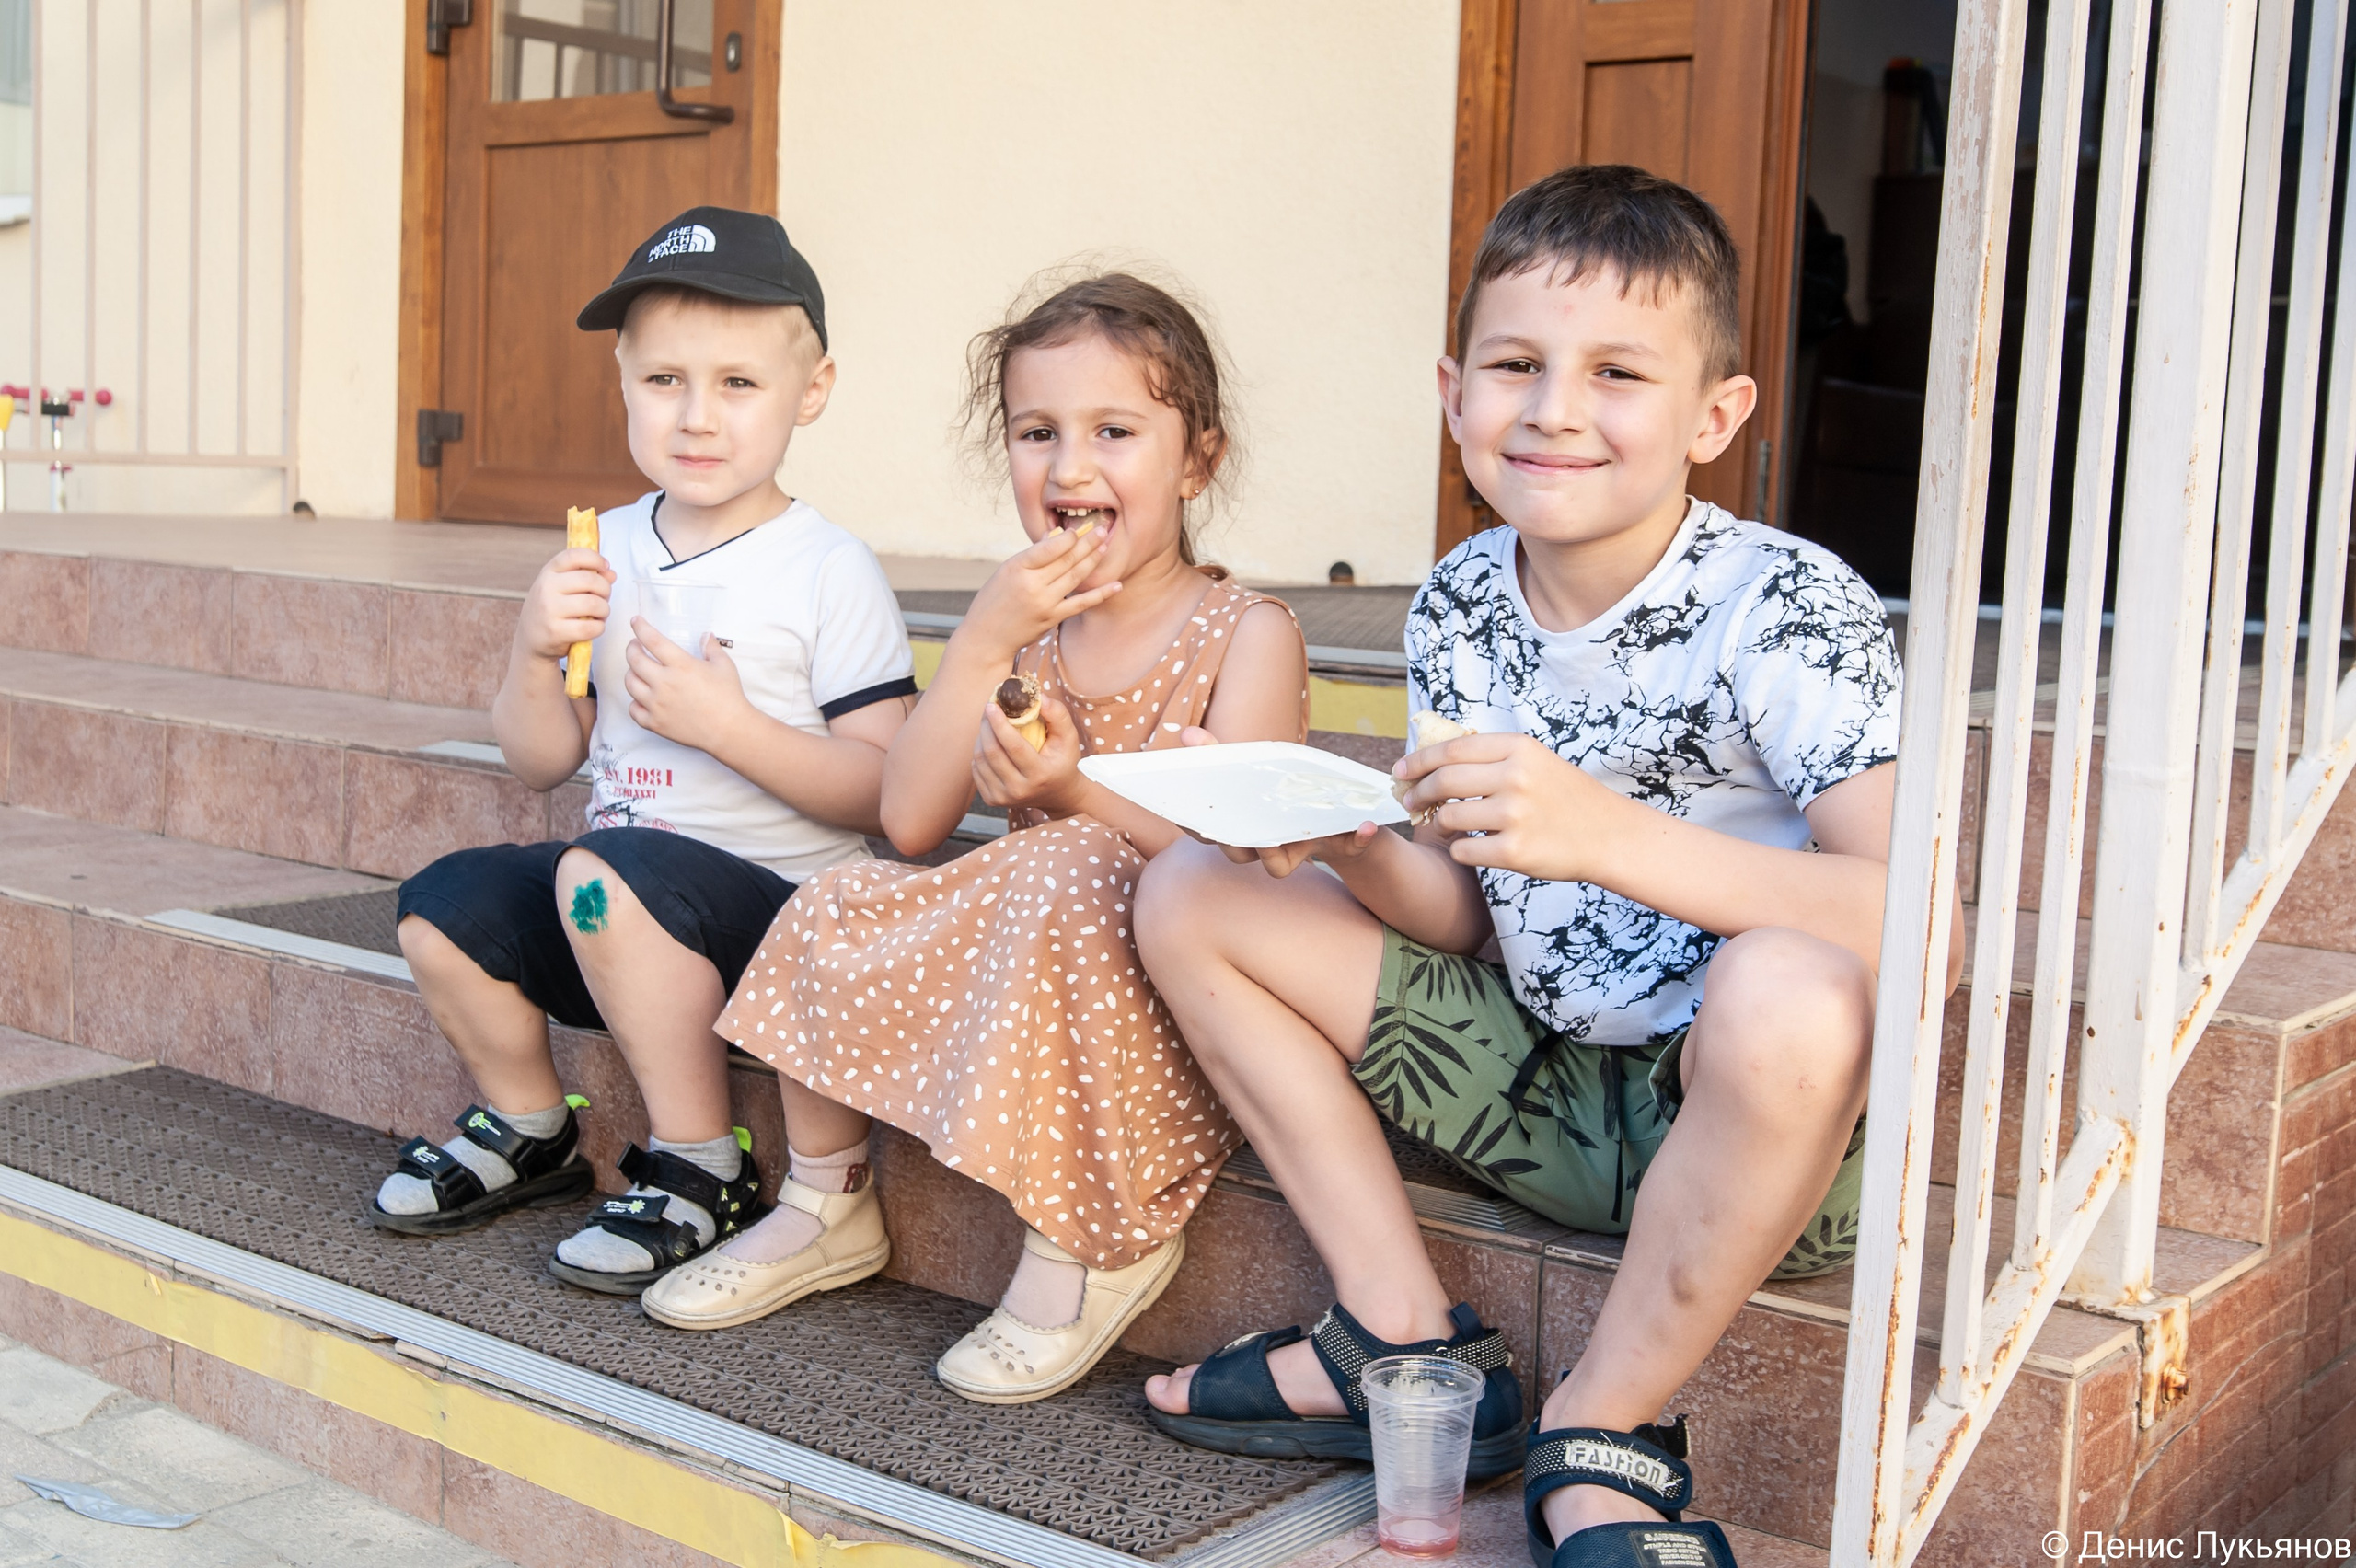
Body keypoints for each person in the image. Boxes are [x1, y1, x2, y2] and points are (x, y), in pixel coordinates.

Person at [1129, 166, 1945, 1566]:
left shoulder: (1789, 606)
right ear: (1456, 393)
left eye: (1618, 371)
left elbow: (1912, 915)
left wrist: (1610, 836)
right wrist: (1353, 848)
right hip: (1539, 1086)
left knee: (1797, 992)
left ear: (1717, 414)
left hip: (1756, 1129)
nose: (1555, 408)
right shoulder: (1460, 596)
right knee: (1191, 890)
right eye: (1516, 364)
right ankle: (1401, 1337)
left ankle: (1607, 1426)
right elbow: (1469, 914)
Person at [638, 273, 1314, 1409]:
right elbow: (908, 822)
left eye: (1114, 432)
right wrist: (986, 640)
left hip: (1177, 1013)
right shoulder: (1023, 629)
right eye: (1037, 433)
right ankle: (825, 1198)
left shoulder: (1245, 633)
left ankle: (1096, 1238)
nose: (1069, 469)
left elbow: (1242, 866)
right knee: (834, 896)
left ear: (1197, 460)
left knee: (1068, 858)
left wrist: (1072, 791)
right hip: (1038, 990)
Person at [368, 208, 918, 1300]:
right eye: (664, 380)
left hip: (780, 915)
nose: (697, 416)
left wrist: (730, 729)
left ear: (812, 393)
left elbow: (889, 795)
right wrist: (534, 650)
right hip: (618, 905)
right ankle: (533, 1128)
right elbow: (540, 761)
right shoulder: (604, 544)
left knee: (599, 877)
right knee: (441, 906)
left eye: (738, 385)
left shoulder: (827, 569)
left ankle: (699, 1168)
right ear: (621, 382)